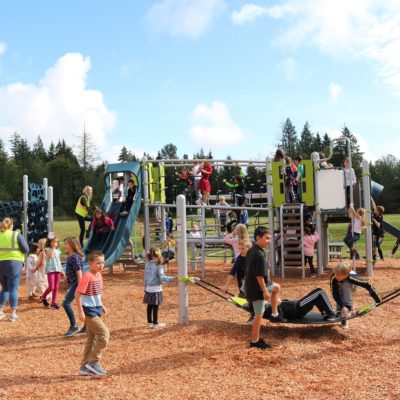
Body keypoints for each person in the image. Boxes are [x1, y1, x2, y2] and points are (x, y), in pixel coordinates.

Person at [245, 226, 283, 350]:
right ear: (258, 238)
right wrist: (265, 291)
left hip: (251, 287)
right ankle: (255, 341)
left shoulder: (251, 250)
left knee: (276, 287)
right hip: (257, 289)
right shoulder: (260, 254)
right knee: (258, 315)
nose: (269, 241)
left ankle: (274, 313)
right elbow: (259, 276)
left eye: (270, 238)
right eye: (267, 238)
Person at [76, 250, 110, 376]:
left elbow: (96, 293)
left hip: (96, 308)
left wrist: (102, 305)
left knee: (91, 338)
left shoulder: (98, 275)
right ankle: (93, 362)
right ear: (90, 263)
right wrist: (80, 312)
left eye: (102, 263)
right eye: (98, 263)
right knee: (104, 335)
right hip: (88, 311)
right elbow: (78, 294)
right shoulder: (87, 276)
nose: (101, 265)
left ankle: (84, 367)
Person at [330, 262, 381, 328]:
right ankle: (342, 311)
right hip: (340, 285)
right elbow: (335, 294)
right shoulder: (334, 277)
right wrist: (342, 306)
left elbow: (368, 285)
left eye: (338, 275)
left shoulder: (352, 277)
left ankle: (347, 311)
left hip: (350, 285)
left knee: (345, 285)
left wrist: (377, 299)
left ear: (345, 275)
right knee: (339, 292)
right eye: (335, 274)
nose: (336, 276)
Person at [0, 218, 29, 322]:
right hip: (14, 264)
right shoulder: (16, 234)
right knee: (13, 289)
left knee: (5, 288)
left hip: (1, 264)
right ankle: (13, 314)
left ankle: (0, 312)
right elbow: (26, 249)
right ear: (11, 225)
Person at [143, 247, 175, 328]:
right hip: (156, 289)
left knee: (150, 306)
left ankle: (149, 323)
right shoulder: (159, 265)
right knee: (155, 306)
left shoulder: (147, 264)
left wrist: (145, 286)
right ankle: (156, 323)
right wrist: (173, 278)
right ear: (158, 254)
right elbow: (162, 278)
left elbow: (145, 277)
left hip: (148, 288)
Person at [263, 288, 337, 321]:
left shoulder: (268, 307)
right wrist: (275, 302)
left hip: (296, 307)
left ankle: (325, 313)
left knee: (315, 298)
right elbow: (278, 305)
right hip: (296, 308)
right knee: (319, 291)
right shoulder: (267, 308)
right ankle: (331, 313)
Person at [63, 237, 84, 338]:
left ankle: (74, 326)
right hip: (74, 284)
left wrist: (80, 287)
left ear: (72, 245)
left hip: (77, 284)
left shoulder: (74, 257)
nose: (65, 246)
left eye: (66, 244)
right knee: (85, 305)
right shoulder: (71, 256)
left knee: (66, 303)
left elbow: (79, 272)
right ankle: (87, 326)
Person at [40, 232, 65, 310]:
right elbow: (50, 256)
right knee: (51, 287)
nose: (55, 243)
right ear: (50, 242)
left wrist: (62, 271)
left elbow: (58, 261)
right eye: (53, 242)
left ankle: (53, 303)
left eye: (56, 242)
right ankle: (43, 297)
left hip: (57, 270)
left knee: (56, 287)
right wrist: (53, 248)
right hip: (50, 270)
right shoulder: (47, 249)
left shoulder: (58, 251)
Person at [371, 198, 385, 263]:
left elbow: (378, 225)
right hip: (376, 234)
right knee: (375, 245)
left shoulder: (380, 217)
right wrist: (371, 198)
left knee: (377, 245)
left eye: (376, 209)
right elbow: (374, 205)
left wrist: (373, 219)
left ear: (378, 211)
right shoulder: (375, 214)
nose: (374, 209)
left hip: (380, 235)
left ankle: (379, 257)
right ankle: (376, 257)